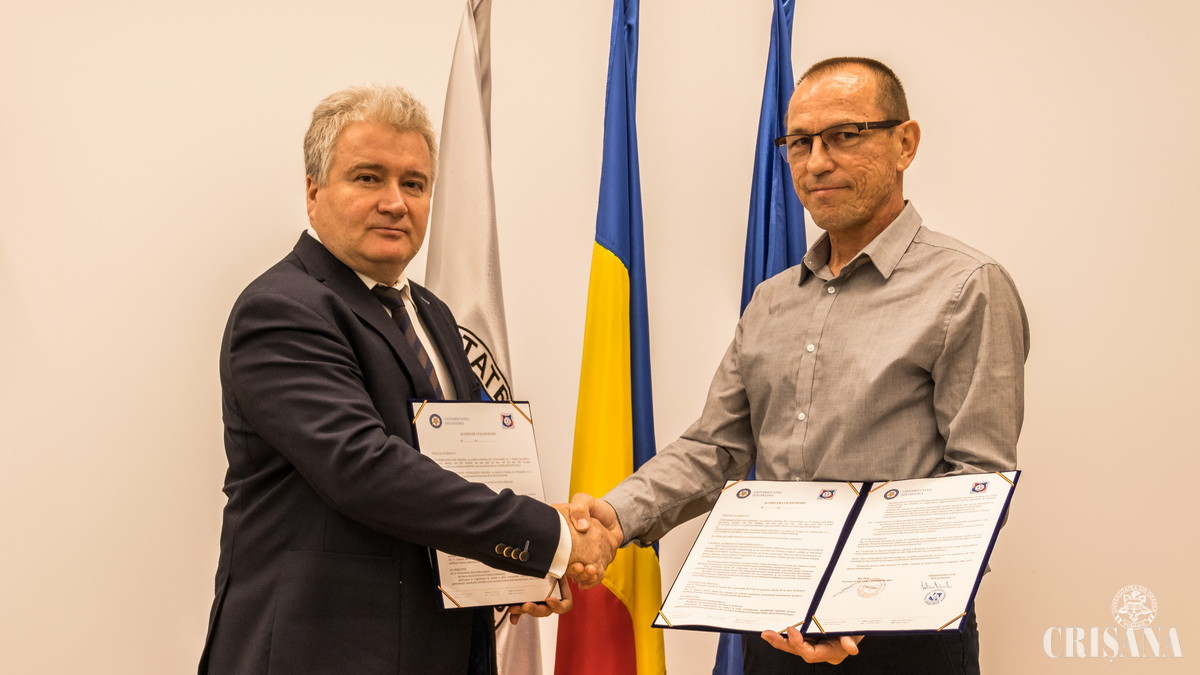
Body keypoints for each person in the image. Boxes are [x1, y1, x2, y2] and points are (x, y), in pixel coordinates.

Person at [569, 57, 1030, 674]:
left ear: (905, 143)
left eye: (844, 135)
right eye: (799, 143)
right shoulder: (772, 300)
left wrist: (862, 609)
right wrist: (612, 517)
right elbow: (715, 448)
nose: (816, 162)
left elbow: (975, 482)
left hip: (899, 639)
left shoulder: (968, 287)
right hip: (772, 630)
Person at [199, 85, 610, 675]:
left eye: (414, 184)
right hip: (318, 653)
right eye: (368, 178)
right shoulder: (283, 309)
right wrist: (550, 538)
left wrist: (513, 573)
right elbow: (364, 469)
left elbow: (457, 470)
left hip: (441, 647)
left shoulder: (432, 314)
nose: (395, 202)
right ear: (313, 192)